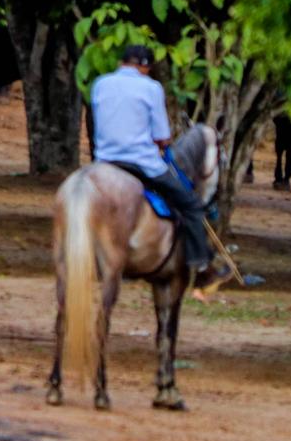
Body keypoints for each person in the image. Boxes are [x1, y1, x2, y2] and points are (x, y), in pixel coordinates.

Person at [91, 44, 213, 279]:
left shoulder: (100, 83)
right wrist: (162, 143)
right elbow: (162, 137)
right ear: (144, 67)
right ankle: (199, 263)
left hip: (104, 161)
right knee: (191, 204)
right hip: (141, 162)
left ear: (121, 63)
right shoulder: (151, 87)